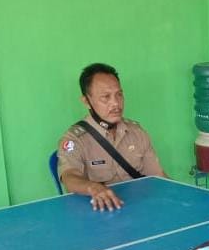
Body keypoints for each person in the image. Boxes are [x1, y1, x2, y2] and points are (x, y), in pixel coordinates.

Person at [57, 63, 166, 210]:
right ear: (86, 101)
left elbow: (159, 177)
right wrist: (93, 187)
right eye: (105, 97)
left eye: (119, 95)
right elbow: (69, 177)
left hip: (139, 207)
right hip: (99, 212)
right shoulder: (75, 139)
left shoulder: (136, 132)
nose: (115, 103)